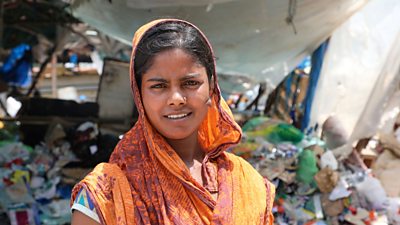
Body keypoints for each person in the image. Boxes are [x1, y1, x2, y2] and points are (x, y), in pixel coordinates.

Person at [70, 19, 275, 225]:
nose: (176, 98)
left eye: (190, 83)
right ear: (139, 94)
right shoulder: (105, 195)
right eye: (159, 86)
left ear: (212, 88)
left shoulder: (247, 183)